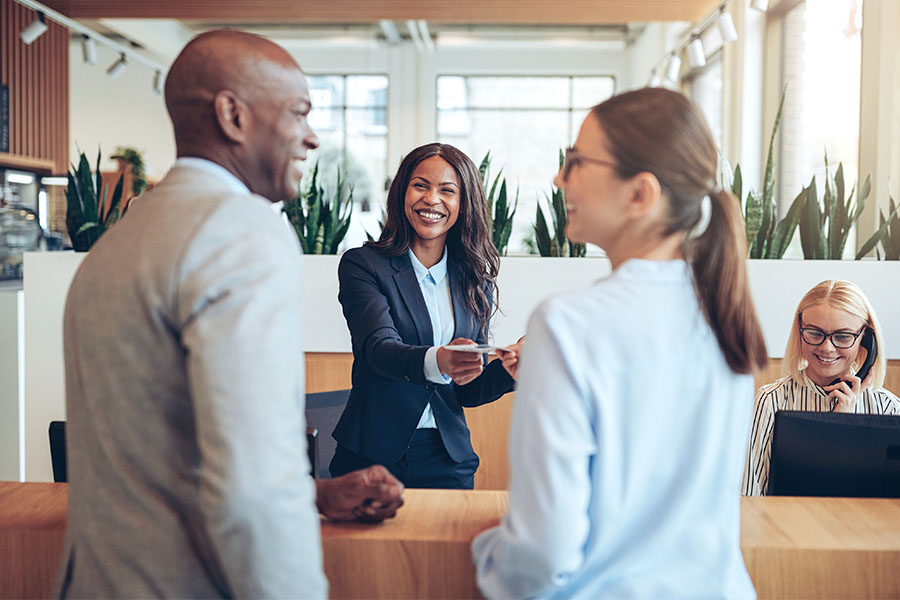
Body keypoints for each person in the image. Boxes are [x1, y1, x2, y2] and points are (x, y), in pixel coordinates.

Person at [54, 30, 403, 599]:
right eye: (298, 113)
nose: (312, 137)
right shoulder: (241, 231)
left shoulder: (119, 240)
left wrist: (311, 491)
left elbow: (159, 452)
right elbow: (253, 487)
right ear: (232, 115)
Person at [471, 88, 768, 598]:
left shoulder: (567, 324)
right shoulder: (727, 314)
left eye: (577, 162)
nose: (560, 178)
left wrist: (488, 551)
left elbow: (540, 555)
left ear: (640, 195)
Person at [330, 143, 520, 489]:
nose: (431, 199)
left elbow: (467, 390)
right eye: (420, 185)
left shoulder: (475, 281)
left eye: (447, 190)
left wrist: (507, 372)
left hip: (448, 459)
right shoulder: (364, 265)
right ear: (402, 193)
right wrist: (440, 360)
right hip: (371, 458)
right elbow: (379, 349)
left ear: (463, 205)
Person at [742, 279, 900, 496]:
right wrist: (835, 426)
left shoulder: (888, 408)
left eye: (843, 336)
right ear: (800, 332)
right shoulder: (770, 401)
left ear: (866, 339)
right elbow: (750, 496)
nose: (827, 347)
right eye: (815, 333)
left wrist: (847, 423)